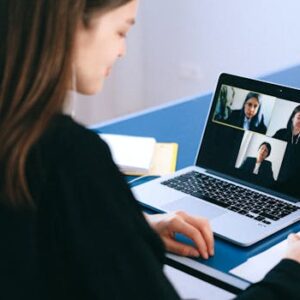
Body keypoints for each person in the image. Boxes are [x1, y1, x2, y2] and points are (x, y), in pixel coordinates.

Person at [0, 1, 299, 299]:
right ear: (71, 23)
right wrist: (291, 269)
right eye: (121, 31)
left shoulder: (18, 134)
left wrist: (129, 228)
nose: (122, 51)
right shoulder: (73, 157)